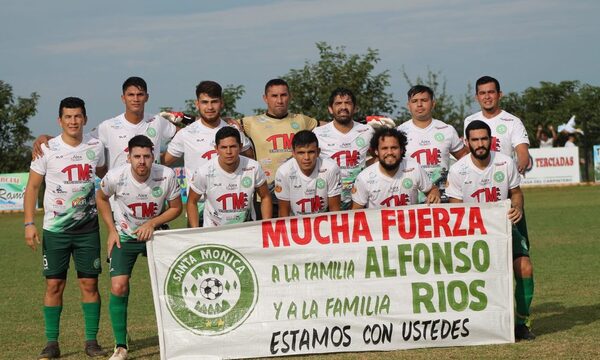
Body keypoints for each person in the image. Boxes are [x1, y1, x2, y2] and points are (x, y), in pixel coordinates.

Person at [23, 97, 108, 359]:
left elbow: (105, 177)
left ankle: (91, 342)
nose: (73, 121)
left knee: (89, 284)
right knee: (54, 286)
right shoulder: (46, 149)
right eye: (68, 117)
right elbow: (33, 188)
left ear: (85, 119)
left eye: (77, 116)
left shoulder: (96, 146)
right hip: (55, 231)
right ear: (60, 120)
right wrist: (29, 223)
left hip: (87, 229)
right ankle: (52, 343)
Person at [446, 120, 535, 341]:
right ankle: (473, 323)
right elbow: (455, 208)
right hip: (472, 232)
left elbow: (516, 192)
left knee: (524, 267)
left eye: (484, 138)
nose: (480, 144)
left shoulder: (505, 163)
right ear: (467, 142)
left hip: (503, 227)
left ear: (491, 140)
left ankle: (522, 323)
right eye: (475, 140)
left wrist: (517, 206)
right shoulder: (457, 170)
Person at [96, 135, 182, 360]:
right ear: (129, 157)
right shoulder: (115, 176)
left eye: (146, 156)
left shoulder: (167, 175)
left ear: (153, 156)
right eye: (137, 156)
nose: (141, 161)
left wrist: (152, 224)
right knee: (118, 286)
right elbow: (102, 198)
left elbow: (176, 208)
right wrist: (112, 230)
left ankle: (180, 335)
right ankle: (121, 346)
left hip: (157, 236)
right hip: (125, 237)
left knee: (172, 284)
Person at [33, 77, 177, 170]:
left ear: (147, 97)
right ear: (123, 98)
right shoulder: (108, 126)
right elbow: (78, 139)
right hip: (120, 201)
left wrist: (162, 162)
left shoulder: (157, 121)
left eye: (140, 95)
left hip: (154, 196)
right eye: (131, 95)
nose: (135, 99)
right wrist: (47, 137)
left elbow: (182, 136)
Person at [162, 81, 254, 225]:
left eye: (214, 102)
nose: (210, 107)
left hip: (232, 204)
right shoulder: (186, 133)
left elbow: (251, 159)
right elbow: (164, 162)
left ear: (221, 103)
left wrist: (241, 133)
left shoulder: (234, 130)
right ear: (197, 103)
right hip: (198, 204)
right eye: (205, 102)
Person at [240, 78, 318, 217]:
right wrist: (188, 119)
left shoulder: (301, 120)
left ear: (290, 96)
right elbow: (219, 123)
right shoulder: (251, 122)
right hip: (265, 196)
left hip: (298, 193)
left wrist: (362, 122)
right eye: (274, 96)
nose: (280, 100)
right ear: (265, 98)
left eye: (283, 95)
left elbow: (331, 126)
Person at [187, 127, 272, 227]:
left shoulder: (253, 167)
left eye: (233, 146)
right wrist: (196, 231)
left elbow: (265, 196)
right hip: (214, 231)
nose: (228, 152)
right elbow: (192, 202)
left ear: (240, 147)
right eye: (223, 147)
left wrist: (267, 226)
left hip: (246, 229)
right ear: (216, 149)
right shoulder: (204, 171)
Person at [397, 85, 468, 202]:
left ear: (433, 103)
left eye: (424, 100)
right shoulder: (399, 132)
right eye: (414, 101)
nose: (419, 104)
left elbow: (465, 158)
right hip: (411, 197)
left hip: (443, 197)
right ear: (408, 105)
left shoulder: (447, 130)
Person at [313, 87, 374, 210]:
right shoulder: (318, 133)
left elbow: (379, 158)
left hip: (360, 198)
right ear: (330, 109)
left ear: (355, 108)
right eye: (338, 103)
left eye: (348, 103)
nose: (343, 107)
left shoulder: (367, 131)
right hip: (328, 198)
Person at [351, 127, 441, 209]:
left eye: (394, 148)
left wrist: (434, 194)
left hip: (410, 226)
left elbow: (432, 189)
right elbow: (356, 212)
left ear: (401, 150)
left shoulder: (414, 168)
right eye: (384, 148)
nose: (389, 152)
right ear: (376, 151)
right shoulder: (364, 178)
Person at [464, 76, 530, 174]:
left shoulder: (513, 121)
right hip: (478, 179)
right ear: (477, 97)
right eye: (482, 93)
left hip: (503, 177)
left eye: (491, 92)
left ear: (499, 94)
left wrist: (521, 165)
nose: (487, 97)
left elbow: (522, 152)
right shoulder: (469, 120)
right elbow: (468, 152)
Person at [274, 130, 342, 216]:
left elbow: (334, 210)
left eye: (311, 152)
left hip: (323, 221)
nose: (306, 157)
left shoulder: (331, 168)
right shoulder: (284, 172)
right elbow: (284, 211)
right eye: (301, 153)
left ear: (318, 152)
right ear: (293, 153)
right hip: (295, 222)